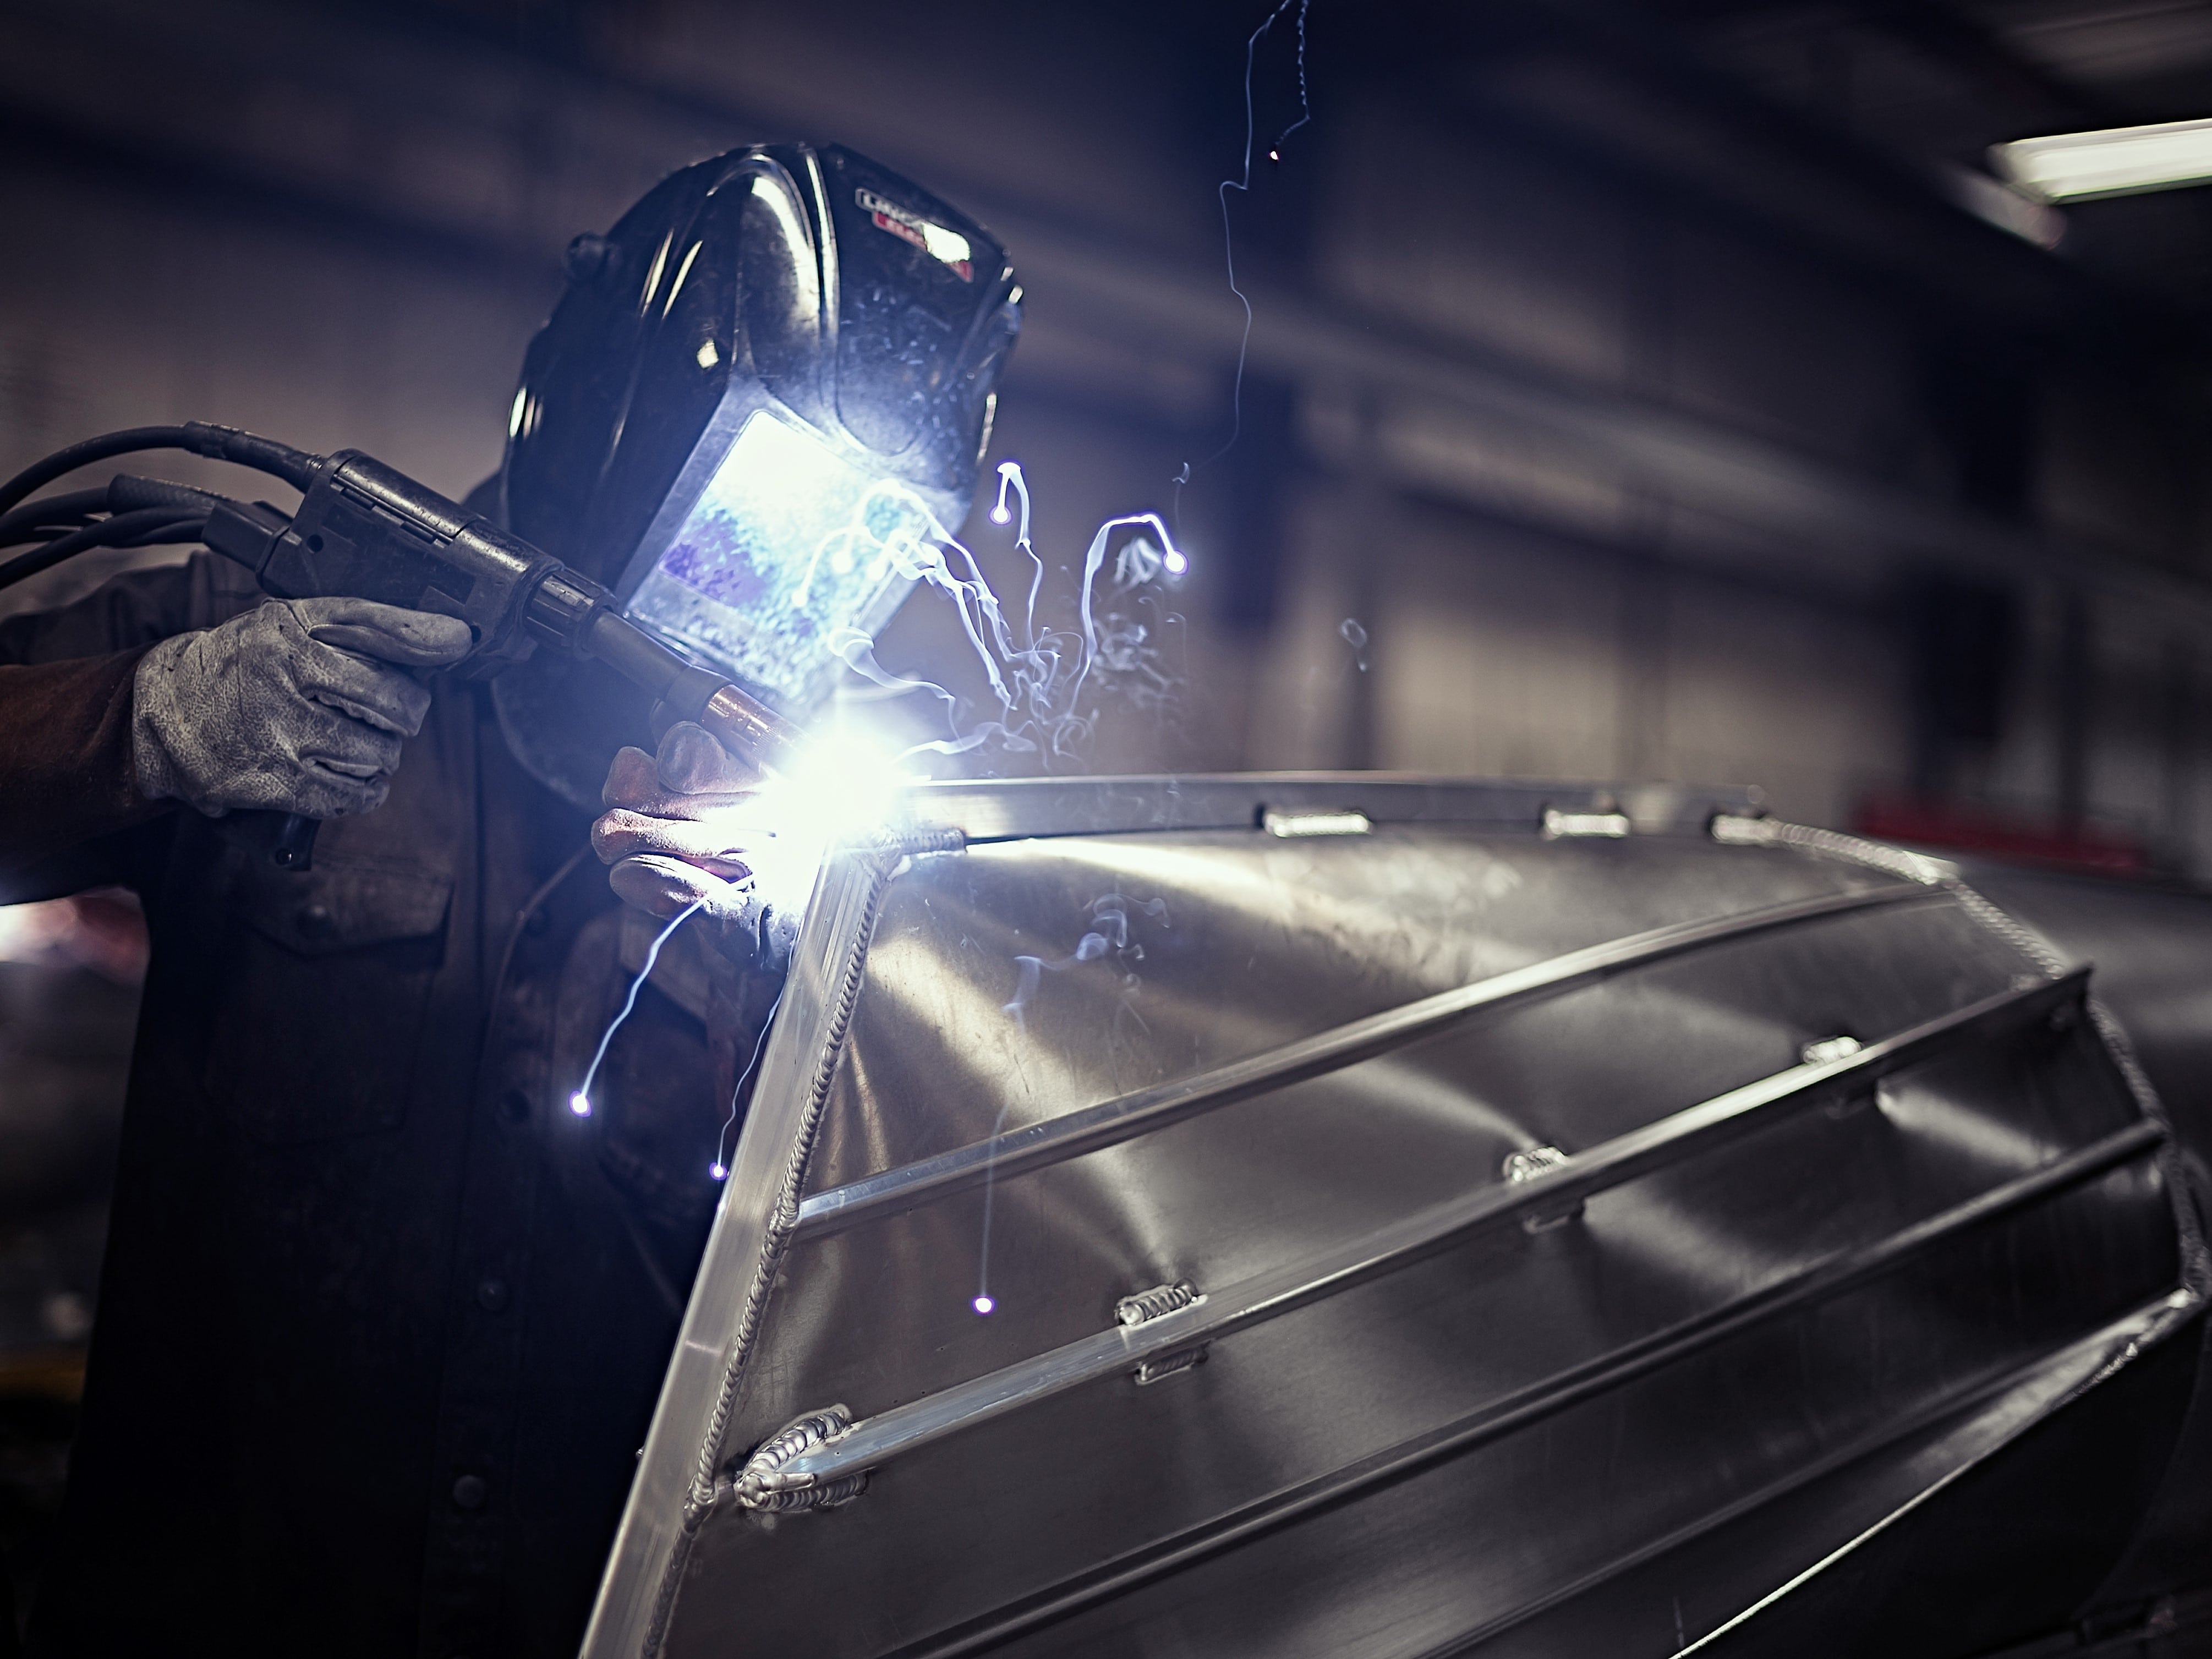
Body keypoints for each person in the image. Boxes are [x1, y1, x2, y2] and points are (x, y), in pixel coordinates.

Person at [0, 141, 1015, 1657]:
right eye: (758, 515)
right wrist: (146, 720)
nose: (771, 591)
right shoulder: (273, 628)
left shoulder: (829, 829)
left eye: (844, 543)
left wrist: (828, 997)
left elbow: (904, 1298)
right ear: (624, 427)